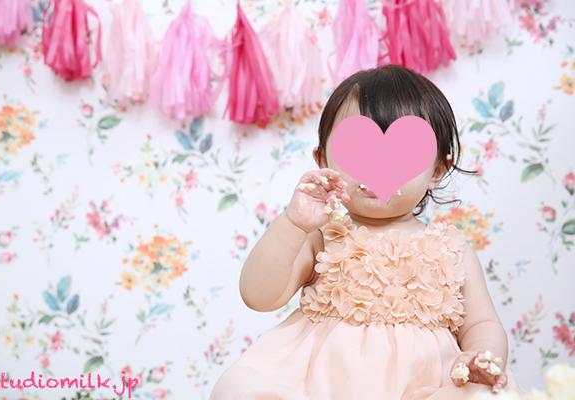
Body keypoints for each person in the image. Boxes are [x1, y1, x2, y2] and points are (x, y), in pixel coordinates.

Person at [209, 65, 527, 399]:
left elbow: (481, 323)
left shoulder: (452, 250)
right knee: (244, 390)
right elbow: (259, 296)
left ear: (436, 171)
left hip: (425, 384)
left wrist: (481, 356)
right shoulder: (322, 236)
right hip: (325, 384)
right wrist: (293, 224)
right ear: (323, 160)